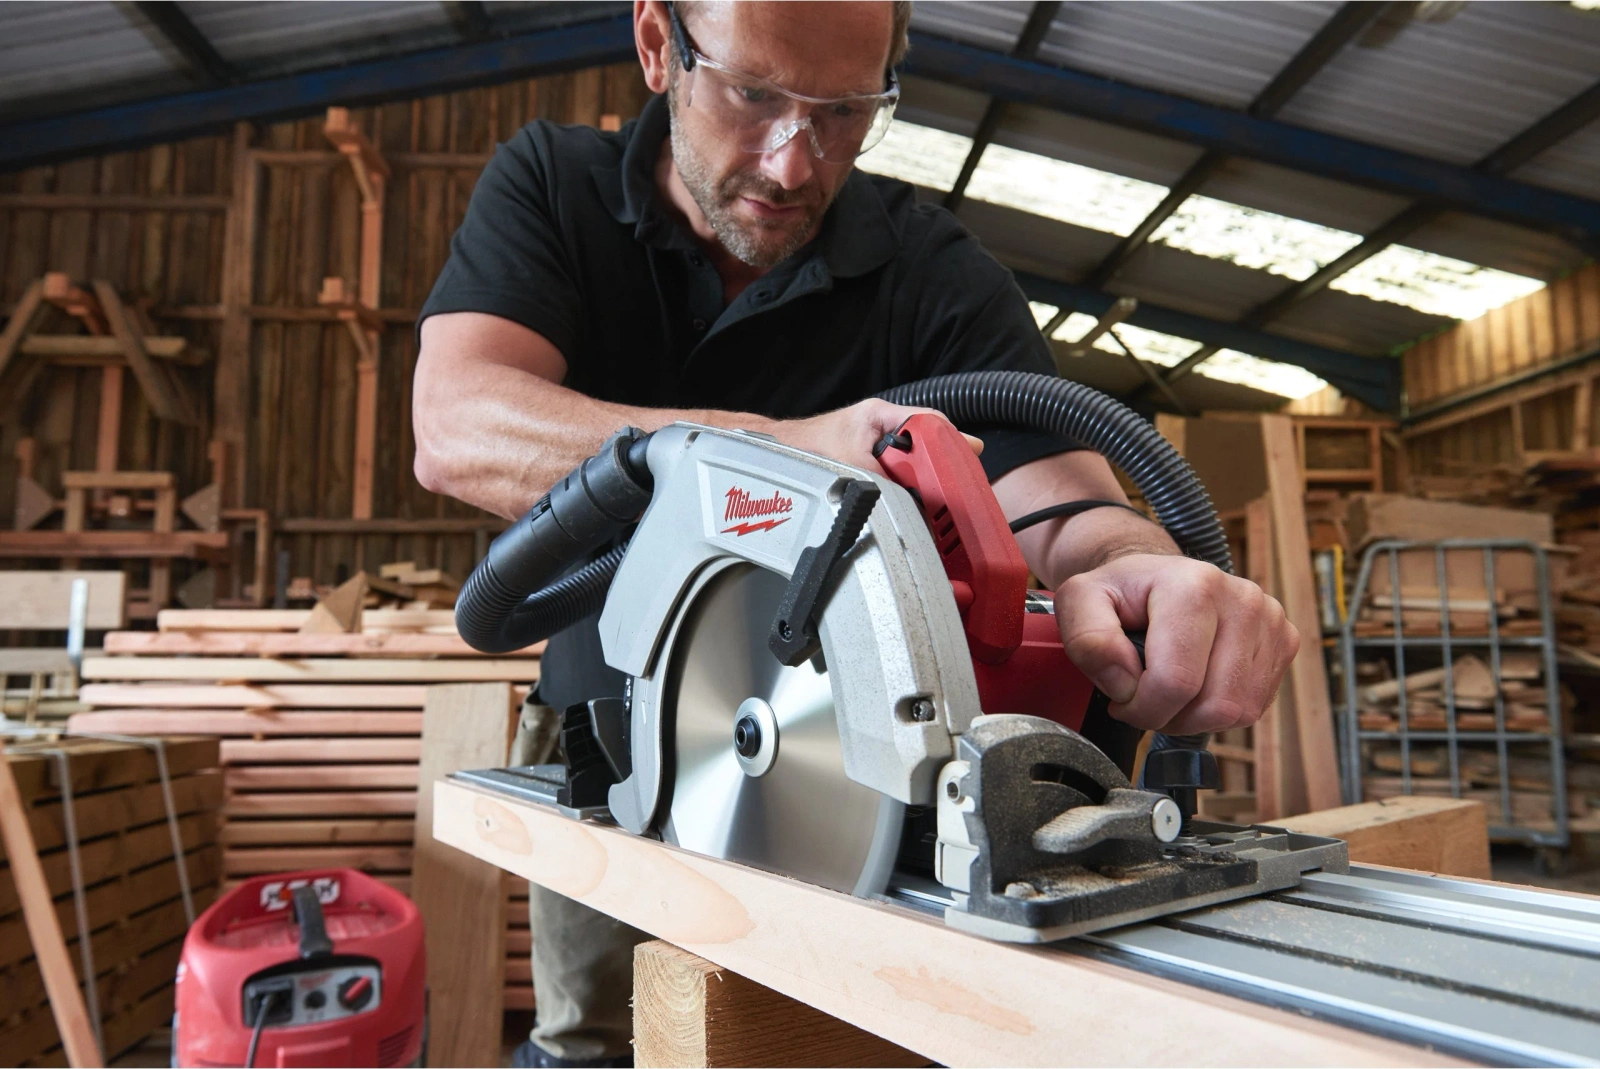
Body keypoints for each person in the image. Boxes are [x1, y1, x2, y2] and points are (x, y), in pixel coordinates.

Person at [413, 2, 1300, 1064]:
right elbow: (456, 426)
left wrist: (1133, 565)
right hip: (610, 740)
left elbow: (1062, 500)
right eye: (752, 94)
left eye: (842, 112)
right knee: (599, 1040)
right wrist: (787, 451)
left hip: (861, 770)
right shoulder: (553, 186)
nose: (794, 162)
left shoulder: (930, 267)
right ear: (658, 45)